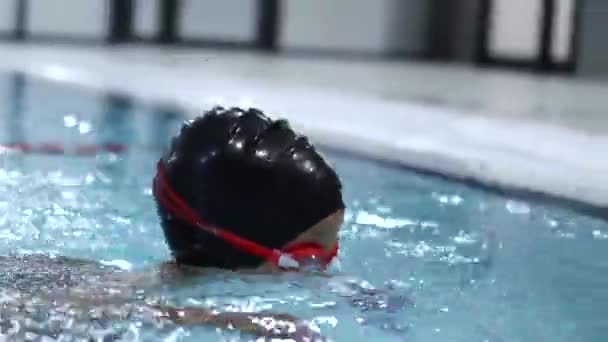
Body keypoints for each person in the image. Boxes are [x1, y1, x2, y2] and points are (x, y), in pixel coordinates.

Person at [0, 106, 345, 341]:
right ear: (236, 248)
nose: (324, 269)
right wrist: (220, 321)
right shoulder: (109, 299)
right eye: (309, 253)